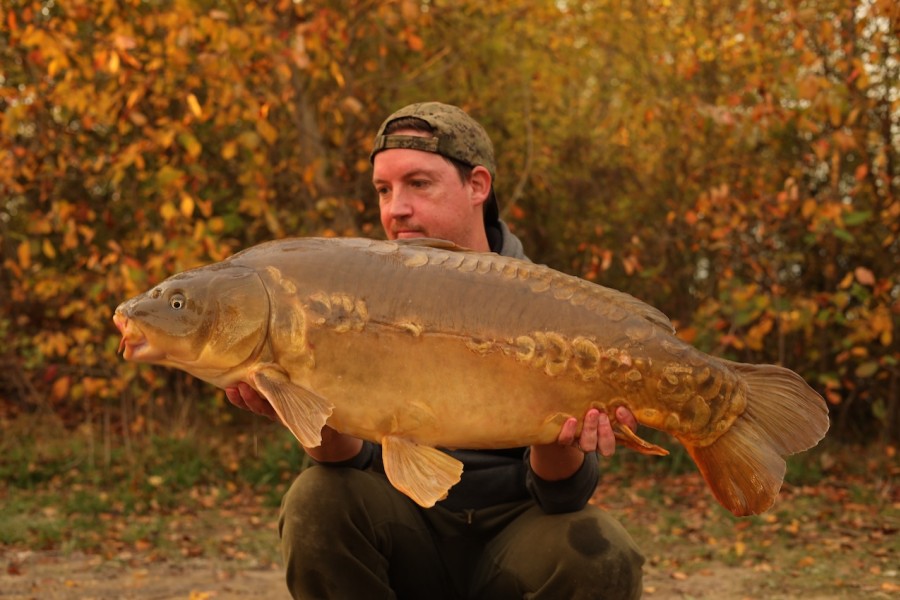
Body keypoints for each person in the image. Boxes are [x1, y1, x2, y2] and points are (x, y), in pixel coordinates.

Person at [225, 102, 645, 599]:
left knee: (602, 549)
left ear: (478, 187)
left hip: (517, 538)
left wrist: (558, 437)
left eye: (418, 184)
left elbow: (562, 496)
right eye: (384, 189)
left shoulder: (542, 303)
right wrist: (300, 410)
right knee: (316, 499)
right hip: (405, 532)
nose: (395, 208)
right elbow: (347, 466)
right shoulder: (353, 292)